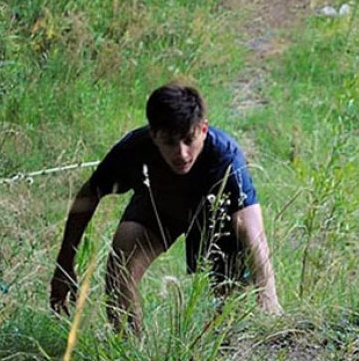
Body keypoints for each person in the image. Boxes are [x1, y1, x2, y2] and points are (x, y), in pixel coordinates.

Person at [50, 82, 282, 333]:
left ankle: (218, 349)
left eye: (189, 140)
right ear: (154, 135)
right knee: (121, 260)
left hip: (216, 217)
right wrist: (64, 263)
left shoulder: (225, 155)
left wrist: (269, 297)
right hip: (159, 205)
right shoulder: (134, 148)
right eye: (170, 142)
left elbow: (250, 229)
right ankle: (129, 351)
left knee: (226, 310)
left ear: (203, 129)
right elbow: (89, 194)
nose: (181, 153)